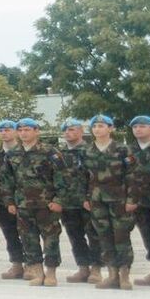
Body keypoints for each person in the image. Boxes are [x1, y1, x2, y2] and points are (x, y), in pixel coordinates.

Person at [83, 115, 147, 291]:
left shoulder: (122, 150)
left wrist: (132, 199)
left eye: (101, 126)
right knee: (104, 237)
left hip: (119, 200)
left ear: (110, 128)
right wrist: (85, 198)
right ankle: (112, 275)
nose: (97, 129)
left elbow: (134, 176)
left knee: (121, 236)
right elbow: (83, 177)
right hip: (97, 200)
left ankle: (124, 275)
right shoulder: (87, 151)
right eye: (94, 126)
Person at [8, 117, 62, 287]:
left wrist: (58, 200)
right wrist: (10, 201)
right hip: (23, 205)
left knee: (51, 239)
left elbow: (63, 177)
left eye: (27, 130)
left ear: (36, 131)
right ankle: (38, 273)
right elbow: (7, 180)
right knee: (28, 239)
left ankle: (51, 273)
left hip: (46, 205)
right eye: (21, 130)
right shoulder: (12, 153)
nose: (24, 133)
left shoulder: (49, 152)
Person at [56, 117, 102, 284]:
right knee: (75, 237)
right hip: (68, 203)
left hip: (88, 203)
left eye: (72, 129)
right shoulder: (59, 154)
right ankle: (83, 268)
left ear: (81, 131)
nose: (68, 133)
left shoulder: (90, 151)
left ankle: (96, 269)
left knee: (94, 235)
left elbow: (96, 177)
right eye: (66, 130)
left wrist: (89, 197)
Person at [0, 120, 27, 279]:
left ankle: (32, 264)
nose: (4, 133)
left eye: (7, 130)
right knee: (10, 233)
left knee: (28, 233)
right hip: (1, 201)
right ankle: (17, 264)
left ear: (15, 132)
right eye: (1, 130)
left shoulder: (25, 151)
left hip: (25, 200)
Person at [130, 115, 150, 286]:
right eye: (135, 127)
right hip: (140, 202)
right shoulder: (129, 151)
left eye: (142, 126)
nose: (138, 129)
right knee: (149, 237)